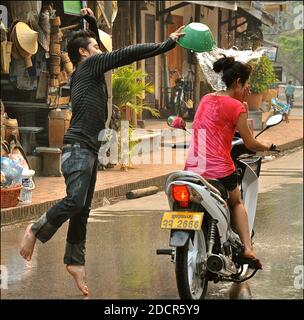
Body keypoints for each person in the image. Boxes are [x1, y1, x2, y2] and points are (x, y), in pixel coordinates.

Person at [20, 8, 185, 296]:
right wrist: (166, 44)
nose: (101, 49)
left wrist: (93, 25)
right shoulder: (89, 65)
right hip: (78, 148)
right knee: (74, 202)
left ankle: (74, 261)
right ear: (84, 53)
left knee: (82, 208)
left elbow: (101, 52)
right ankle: (36, 229)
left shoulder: (88, 67)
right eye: (95, 46)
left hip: (88, 149)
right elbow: (125, 54)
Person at [184, 56, 277, 267]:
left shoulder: (206, 99)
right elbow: (250, 143)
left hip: (193, 168)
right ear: (237, 82)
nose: (248, 88)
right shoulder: (237, 108)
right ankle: (248, 248)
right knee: (236, 202)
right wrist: (268, 146)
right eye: (246, 84)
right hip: (219, 170)